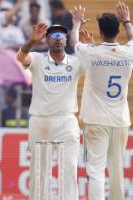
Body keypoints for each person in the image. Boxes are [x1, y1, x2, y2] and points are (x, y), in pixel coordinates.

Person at [70, 2, 133, 199]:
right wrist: (126, 20)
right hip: (120, 121)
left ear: (100, 31)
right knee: (117, 171)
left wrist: (76, 24)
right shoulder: (129, 53)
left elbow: (74, 43)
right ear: (118, 30)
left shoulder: (92, 53)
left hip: (96, 120)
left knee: (96, 171)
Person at [16, 23, 82, 199]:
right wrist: (31, 40)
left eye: (61, 35)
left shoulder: (76, 62)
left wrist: (77, 25)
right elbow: (21, 57)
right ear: (46, 40)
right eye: (53, 35)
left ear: (66, 40)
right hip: (41, 121)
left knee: (69, 170)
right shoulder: (38, 59)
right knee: (39, 172)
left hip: (67, 121)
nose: (58, 38)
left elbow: (89, 58)